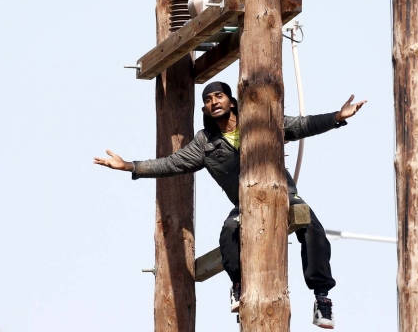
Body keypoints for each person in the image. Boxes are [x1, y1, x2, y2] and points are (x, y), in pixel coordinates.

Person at [94, 81, 367, 329]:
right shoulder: (205, 142)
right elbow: (171, 163)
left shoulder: (261, 121)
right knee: (229, 232)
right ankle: (239, 286)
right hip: (244, 203)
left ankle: (322, 298)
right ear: (204, 107)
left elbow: (303, 125)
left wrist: (337, 117)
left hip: (282, 194)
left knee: (311, 226)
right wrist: (129, 166)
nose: (214, 102)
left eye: (219, 96)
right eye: (208, 99)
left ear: (232, 101)